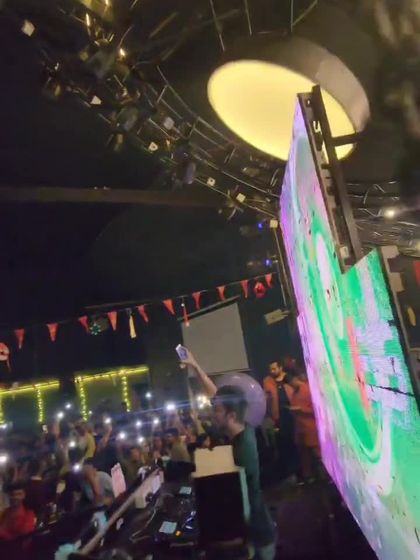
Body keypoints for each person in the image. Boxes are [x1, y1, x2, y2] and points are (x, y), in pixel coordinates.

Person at [181, 350, 276, 560]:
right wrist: (195, 365)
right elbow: (216, 395)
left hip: (257, 538)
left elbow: (243, 503)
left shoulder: (241, 452)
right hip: (257, 531)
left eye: (217, 411)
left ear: (231, 415)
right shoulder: (243, 426)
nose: (212, 414)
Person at [263, 361, 297, 478]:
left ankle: (298, 471)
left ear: (280, 368)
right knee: (283, 444)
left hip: (292, 414)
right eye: (270, 369)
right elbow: (267, 399)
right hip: (278, 417)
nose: (272, 371)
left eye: (274, 369)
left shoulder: (289, 379)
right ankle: (287, 472)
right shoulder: (268, 382)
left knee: (295, 443)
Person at [285, 370, 320, 482]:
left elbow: (317, 410)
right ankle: (308, 477)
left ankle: (326, 477)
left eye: (291, 383)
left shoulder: (309, 389)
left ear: (296, 379)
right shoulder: (295, 393)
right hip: (300, 429)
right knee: (304, 456)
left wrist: (301, 409)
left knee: (317, 454)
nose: (291, 386)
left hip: (311, 428)